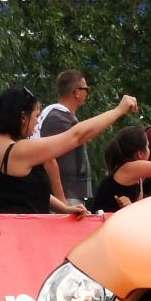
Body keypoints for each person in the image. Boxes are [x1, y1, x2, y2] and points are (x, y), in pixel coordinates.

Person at [0, 85, 135, 214]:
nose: (36, 125)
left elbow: (24, 192)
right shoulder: (20, 151)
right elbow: (77, 136)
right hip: (23, 238)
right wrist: (118, 111)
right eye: (36, 116)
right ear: (22, 117)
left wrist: (65, 209)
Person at [32, 69, 95, 207]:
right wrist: (62, 202)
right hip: (65, 195)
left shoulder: (63, 117)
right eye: (86, 89)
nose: (87, 93)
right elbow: (49, 158)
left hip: (70, 193)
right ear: (77, 92)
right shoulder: (58, 118)